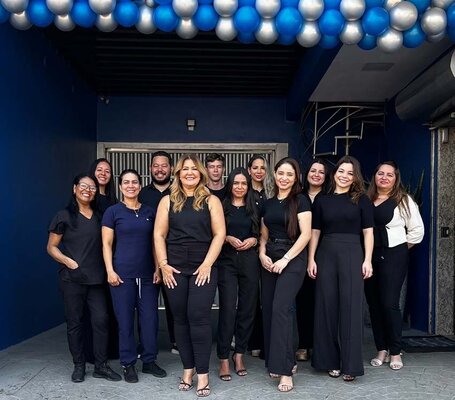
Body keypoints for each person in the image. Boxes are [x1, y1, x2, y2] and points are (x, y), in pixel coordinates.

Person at [154, 154, 225, 397]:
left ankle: (203, 373)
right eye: (185, 169)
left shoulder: (212, 200)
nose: (190, 173)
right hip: (174, 267)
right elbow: (159, 235)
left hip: (203, 265)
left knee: (199, 317)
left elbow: (219, 234)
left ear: (201, 173)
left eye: (194, 169)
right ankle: (188, 368)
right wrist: (163, 264)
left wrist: (207, 264)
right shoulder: (167, 201)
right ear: (178, 174)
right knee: (180, 319)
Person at [47, 173, 121, 383]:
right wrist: (68, 262)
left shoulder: (101, 216)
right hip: (72, 279)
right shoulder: (63, 216)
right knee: (75, 323)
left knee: (101, 320)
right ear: (74, 188)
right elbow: (51, 247)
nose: (88, 190)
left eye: (92, 187)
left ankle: (101, 365)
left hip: (97, 280)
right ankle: (79, 365)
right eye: (84, 186)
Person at [308, 155, 374, 382]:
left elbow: (368, 232)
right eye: (341, 171)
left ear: (355, 177)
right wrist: (311, 259)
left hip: (353, 254)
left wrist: (367, 260)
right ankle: (329, 362)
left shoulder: (362, 199)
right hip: (325, 254)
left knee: (351, 308)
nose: (344, 176)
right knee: (326, 307)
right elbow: (315, 232)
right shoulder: (322, 199)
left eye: (350, 173)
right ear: (334, 173)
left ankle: (350, 365)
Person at [102, 169, 166, 383]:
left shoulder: (150, 212)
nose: (131, 186)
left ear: (140, 186)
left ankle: (149, 360)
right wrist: (110, 270)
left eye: (135, 182)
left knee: (150, 320)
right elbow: (106, 244)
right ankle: (128, 363)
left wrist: (158, 268)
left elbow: (156, 242)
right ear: (121, 186)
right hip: (122, 275)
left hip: (148, 276)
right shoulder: (113, 212)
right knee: (125, 321)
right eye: (126, 182)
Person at [259, 157, 312, 393]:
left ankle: (285, 370)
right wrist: (262, 254)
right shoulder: (268, 203)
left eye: (289, 174)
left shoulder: (301, 200)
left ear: (296, 177)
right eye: (281, 173)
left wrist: (286, 259)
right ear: (275, 174)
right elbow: (264, 234)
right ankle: (277, 360)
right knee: (271, 309)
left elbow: (306, 234)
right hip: (270, 257)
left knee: (281, 308)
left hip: (293, 257)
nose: (284, 178)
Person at [365, 161, 424, 370]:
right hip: (369, 257)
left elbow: (417, 231)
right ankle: (381, 349)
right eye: (380, 173)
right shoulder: (366, 199)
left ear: (396, 179)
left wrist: (399, 248)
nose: (384, 177)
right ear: (375, 176)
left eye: (389, 175)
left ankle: (396, 351)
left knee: (389, 303)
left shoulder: (404, 200)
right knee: (374, 304)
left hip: (394, 256)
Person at [217, 167, 260, 381]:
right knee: (227, 309)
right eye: (236, 183)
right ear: (230, 184)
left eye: (244, 183)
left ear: (248, 186)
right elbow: (213, 232)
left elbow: (262, 233)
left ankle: (239, 354)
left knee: (247, 308)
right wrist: (226, 238)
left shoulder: (255, 206)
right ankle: (223, 357)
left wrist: (254, 239)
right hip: (226, 261)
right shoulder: (221, 205)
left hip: (249, 260)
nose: (240, 187)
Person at [138, 150, 178, 354]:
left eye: (164, 165)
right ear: (150, 168)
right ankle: (147, 345)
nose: (160, 169)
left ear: (171, 168)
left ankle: (177, 342)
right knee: (147, 304)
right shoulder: (141, 194)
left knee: (175, 303)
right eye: (156, 165)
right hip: (146, 256)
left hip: (176, 254)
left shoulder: (179, 192)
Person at [295, 159, 328, 362]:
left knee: (324, 301)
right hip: (300, 253)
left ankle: (320, 345)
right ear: (306, 174)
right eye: (313, 170)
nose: (316, 174)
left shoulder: (331, 197)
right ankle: (303, 344)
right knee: (303, 300)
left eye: (321, 172)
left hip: (326, 254)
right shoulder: (298, 196)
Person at [246, 154, 274, 358]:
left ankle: (267, 343)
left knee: (268, 297)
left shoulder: (272, 192)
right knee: (251, 297)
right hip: (248, 249)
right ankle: (253, 341)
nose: (258, 171)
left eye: (262, 168)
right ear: (249, 170)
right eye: (255, 167)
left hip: (269, 249)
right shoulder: (243, 191)